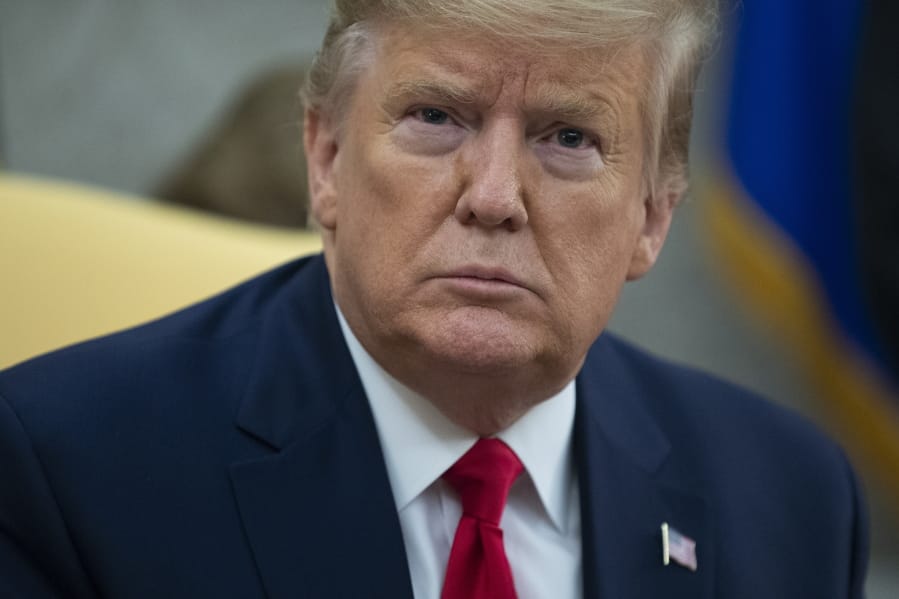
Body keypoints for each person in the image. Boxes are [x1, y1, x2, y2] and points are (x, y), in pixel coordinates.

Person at [0, 1, 867, 598]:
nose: (493, 195)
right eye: (435, 117)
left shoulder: (790, 499)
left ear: (651, 216)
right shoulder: (65, 472)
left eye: (567, 137)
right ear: (327, 159)